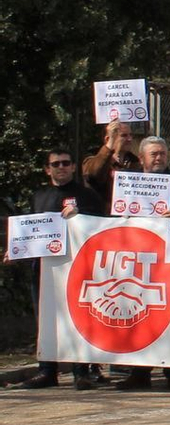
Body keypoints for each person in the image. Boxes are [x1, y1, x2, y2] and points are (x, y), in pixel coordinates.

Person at [114, 136, 170, 392]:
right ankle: (139, 373)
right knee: (140, 315)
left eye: (162, 153)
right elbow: (114, 216)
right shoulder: (128, 182)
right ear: (141, 158)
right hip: (139, 261)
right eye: (153, 154)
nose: (159, 158)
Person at [14, 150, 102, 390]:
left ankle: (81, 372)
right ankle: (47, 370)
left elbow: (102, 226)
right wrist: (16, 250)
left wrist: (80, 216)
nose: (61, 167)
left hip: (78, 268)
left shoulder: (87, 196)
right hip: (44, 270)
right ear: (47, 169)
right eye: (56, 164)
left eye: (66, 163)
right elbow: (28, 231)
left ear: (73, 167)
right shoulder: (39, 196)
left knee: (79, 317)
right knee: (45, 318)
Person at [81, 120, 139, 206]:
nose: (129, 139)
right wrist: (109, 146)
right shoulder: (92, 159)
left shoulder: (136, 163)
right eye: (124, 136)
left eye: (131, 135)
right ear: (108, 139)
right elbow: (93, 174)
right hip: (102, 216)